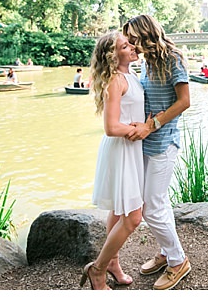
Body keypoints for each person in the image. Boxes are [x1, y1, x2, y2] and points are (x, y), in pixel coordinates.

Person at [123, 14, 192, 290]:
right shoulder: (147, 62)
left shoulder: (173, 58)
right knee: (156, 202)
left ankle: (178, 261)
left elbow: (185, 101)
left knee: (151, 206)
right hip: (145, 141)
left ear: (145, 33)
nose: (130, 43)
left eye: (132, 37)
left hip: (164, 142)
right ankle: (166, 252)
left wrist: (152, 124)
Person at [79, 31, 144, 290]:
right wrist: (140, 129)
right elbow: (110, 127)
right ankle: (98, 270)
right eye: (125, 46)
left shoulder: (132, 75)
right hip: (122, 148)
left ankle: (113, 264)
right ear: (112, 55)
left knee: (118, 211)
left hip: (131, 147)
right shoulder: (116, 80)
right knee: (133, 217)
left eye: (130, 44)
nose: (132, 48)